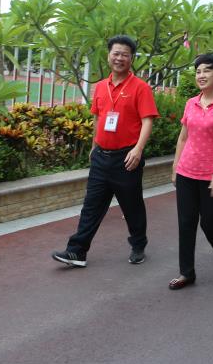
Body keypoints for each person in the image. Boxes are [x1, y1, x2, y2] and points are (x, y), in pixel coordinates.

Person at [52, 35, 159, 268]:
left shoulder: (140, 88)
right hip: (101, 156)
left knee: (132, 206)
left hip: (126, 158)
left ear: (131, 58)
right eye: (116, 53)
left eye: (124, 54)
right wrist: (93, 147)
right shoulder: (100, 86)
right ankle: (76, 251)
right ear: (109, 55)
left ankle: (138, 244)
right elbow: (99, 118)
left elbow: (147, 120)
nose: (119, 58)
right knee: (91, 205)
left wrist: (138, 150)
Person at [169, 54, 213, 290]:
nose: (201, 75)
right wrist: (175, 166)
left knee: (210, 223)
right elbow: (182, 137)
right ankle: (186, 272)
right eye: (198, 71)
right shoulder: (191, 103)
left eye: (207, 70)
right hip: (187, 172)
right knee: (186, 222)